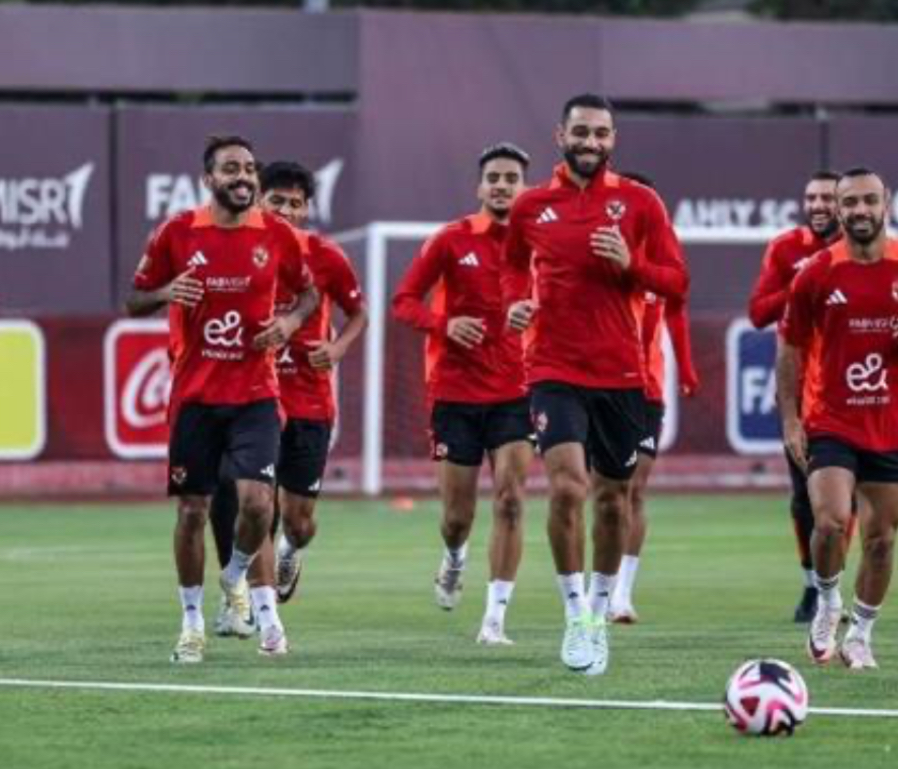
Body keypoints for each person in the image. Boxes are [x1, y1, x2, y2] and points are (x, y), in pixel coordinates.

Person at [502, 94, 686, 674]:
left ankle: (601, 612)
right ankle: (575, 614)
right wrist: (514, 304)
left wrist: (632, 263)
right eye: (580, 131)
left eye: (601, 133)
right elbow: (512, 267)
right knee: (566, 488)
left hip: (622, 375)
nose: (590, 142)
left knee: (612, 500)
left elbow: (676, 280)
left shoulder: (640, 203)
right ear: (560, 136)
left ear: (613, 139)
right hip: (553, 369)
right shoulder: (532, 206)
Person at [127, 135, 318, 663]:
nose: (243, 177)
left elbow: (308, 294)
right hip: (196, 397)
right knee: (192, 511)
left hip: (256, 394)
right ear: (208, 178)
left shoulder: (277, 234)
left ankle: (234, 574)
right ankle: (191, 624)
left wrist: (289, 323)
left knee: (257, 504)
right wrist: (166, 293)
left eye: (249, 168)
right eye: (231, 168)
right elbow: (133, 299)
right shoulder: (177, 232)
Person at [777, 167, 898, 670]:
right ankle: (827, 600)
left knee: (881, 541)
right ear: (838, 210)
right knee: (830, 522)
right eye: (850, 203)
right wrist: (791, 421)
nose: (860, 210)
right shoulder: (817, 272)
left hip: (890, 425)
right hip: (831, 421)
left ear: (887, 204)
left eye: (868, 201)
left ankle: (860, 634)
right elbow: (790, 349)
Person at [206, 160, 367, 638]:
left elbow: (358, 313)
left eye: (296, 203)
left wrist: (337, 348)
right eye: (277, 200)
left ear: (307, 209)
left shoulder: (327, 256)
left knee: (297, 522)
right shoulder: (239, 250)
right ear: (259, 201)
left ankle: (292, 552)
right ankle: (257, 609)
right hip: (256, 399)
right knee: (258, 505)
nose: (286, 210)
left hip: (311, 403)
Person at [392, 143, 534, 645]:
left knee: (511, 500)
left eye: (511, 178)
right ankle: (454, 556)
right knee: (457, 517)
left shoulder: (540, 246)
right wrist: (444, 323)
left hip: (518, 390)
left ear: (524, 188)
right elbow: (404, 300)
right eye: (494, 177)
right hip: (456, 393)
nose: (502, 185)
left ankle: (495, 620)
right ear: (480, 187)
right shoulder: (451, 239)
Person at [748, 170, 856, 624]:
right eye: (811, 197)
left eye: (828, 198)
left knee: (850, 498)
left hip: (853, 388)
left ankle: (836, 587)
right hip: (800, 391)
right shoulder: (785, 248)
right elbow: (758, 313)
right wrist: (802, 282)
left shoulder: (861, 250)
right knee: (804, 496)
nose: (818, 206)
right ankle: (814, 585)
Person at [606, 171, 699, 625]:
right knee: (605, 491)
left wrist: (687, 366)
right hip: (601, 384)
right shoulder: (597, 249)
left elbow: (676, 309)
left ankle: (621, 594)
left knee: (634, 488)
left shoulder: (661, 257)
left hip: (647, 391)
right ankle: (595, 587)